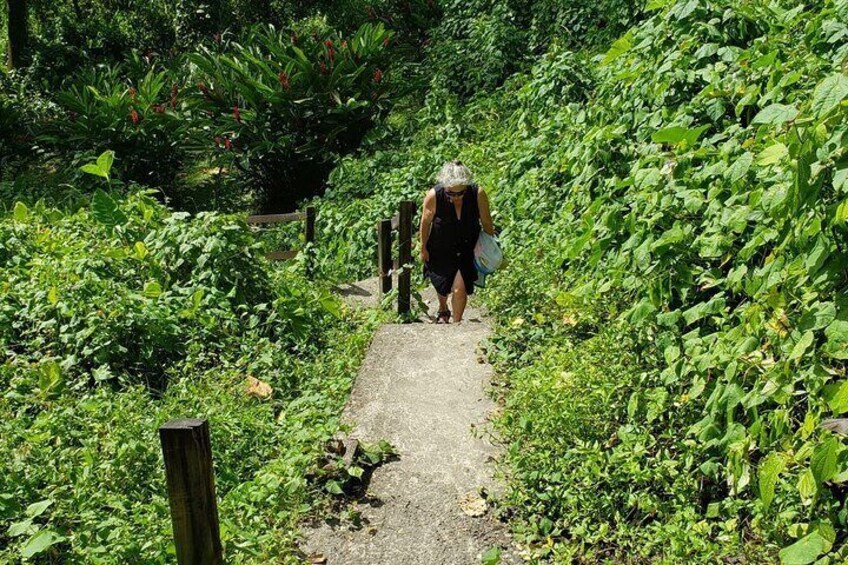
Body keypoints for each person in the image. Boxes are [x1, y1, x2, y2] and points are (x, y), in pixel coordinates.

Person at [420, 160, 495, 324]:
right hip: (440, 246)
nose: (456, 197)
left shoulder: (477, 193)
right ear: (445, 187)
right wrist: (423, 247)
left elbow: (487, 222)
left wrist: (490, 245)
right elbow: (425, 223)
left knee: (459, 288)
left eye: (460, 193)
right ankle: (443, 307)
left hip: (467, 246)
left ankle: (456, 324)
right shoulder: (434, 195)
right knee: (442, 282)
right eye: (451, 194)